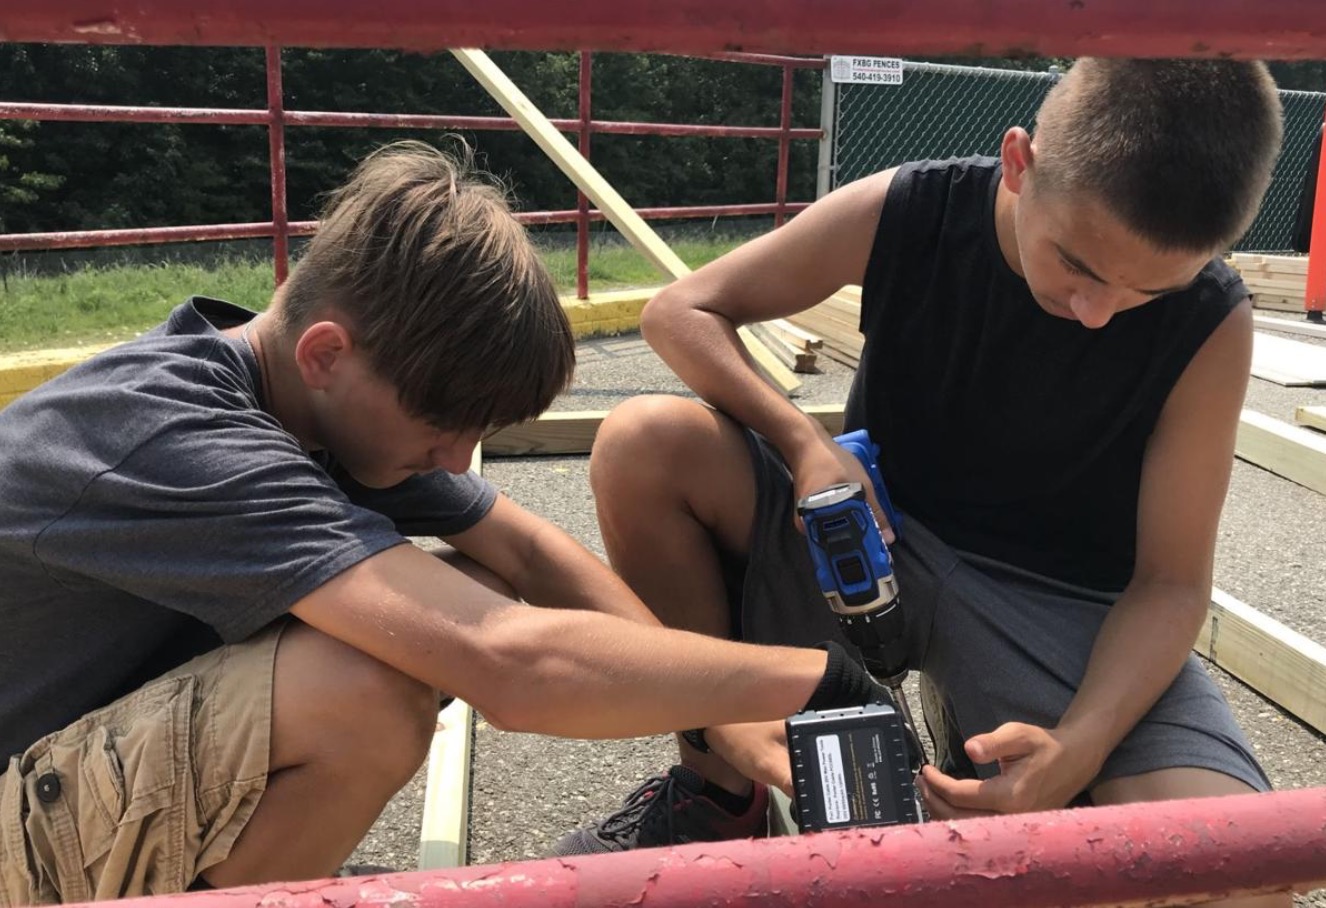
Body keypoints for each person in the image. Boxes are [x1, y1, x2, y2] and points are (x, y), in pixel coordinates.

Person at [0, 140, 894, 905]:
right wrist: (811, 678)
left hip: (60, 770)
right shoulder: (172, 437)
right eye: (442, 432)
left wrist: (718, 727)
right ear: (327, 355)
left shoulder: (302, 400)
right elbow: (512, 664)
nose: (454, 459)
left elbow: (530, 551)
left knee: (462, 589)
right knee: (365, 684)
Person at [555, 58, 1286, 907]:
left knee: (1240, 877)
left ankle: (990, 744)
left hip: (1054, 605)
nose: (1099, 311)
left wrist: (1080, 747)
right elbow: (680, 310)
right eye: (1080, 265)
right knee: (644, 441)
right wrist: (801, 444)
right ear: (1020, 161)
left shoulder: (1212, 322)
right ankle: (719, 792)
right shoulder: (916, 208)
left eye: (1148, 290)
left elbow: (1169, 583)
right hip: (870, 543)